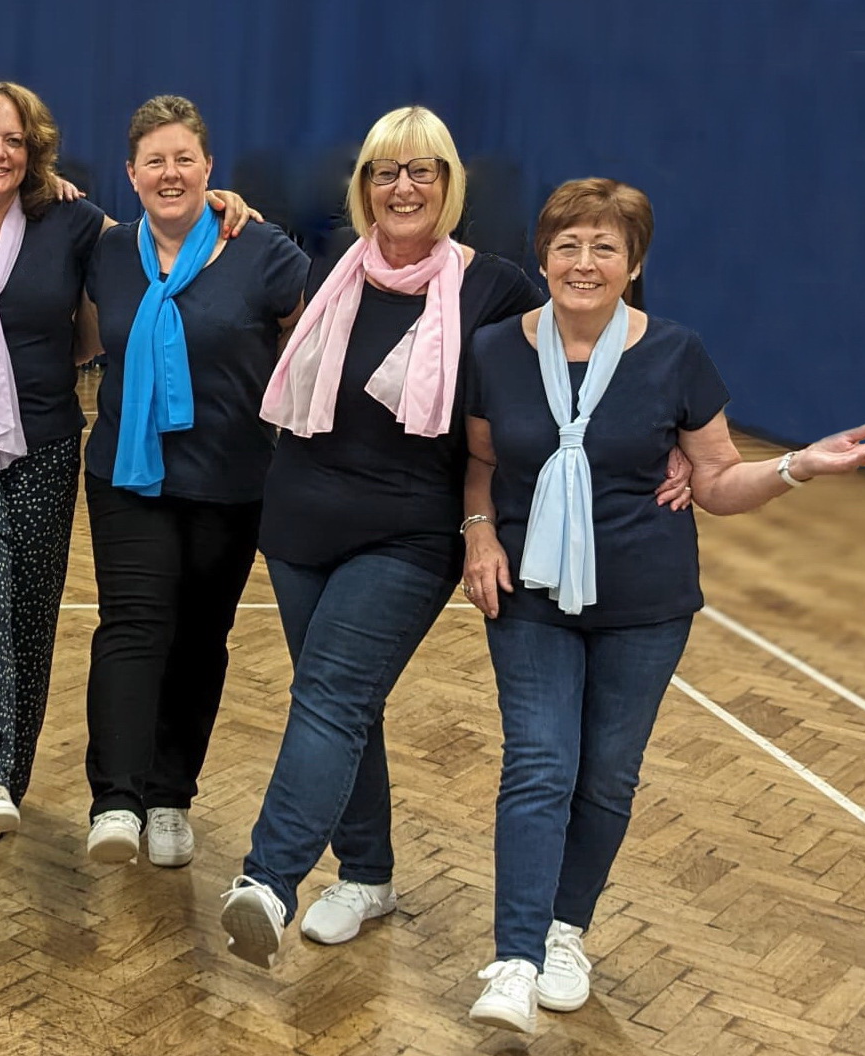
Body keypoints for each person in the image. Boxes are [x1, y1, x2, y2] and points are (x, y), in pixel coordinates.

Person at [217, 106, 688, 967]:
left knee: (329, 694)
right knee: (344, 705)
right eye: (384, 172)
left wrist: (674, 438)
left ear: (448, 184)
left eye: (421, 170)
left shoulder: (494, 286)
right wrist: (220, 204)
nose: (402, 187)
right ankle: (366, 874)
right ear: (363, 187)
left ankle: (268, 879)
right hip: (296, 524)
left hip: (409, 533)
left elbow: (597, 339)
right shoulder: (332, 268)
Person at [459, 177, 865, 1032]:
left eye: (604, 247)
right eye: (566, 244)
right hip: (529, 593)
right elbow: (480, 463)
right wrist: (478, 533)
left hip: (646, 601)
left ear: (633, 266)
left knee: (606, 776)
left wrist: (796, 467)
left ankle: (563, 932)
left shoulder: (674, 352)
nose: (583, 262)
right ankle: (513, 959)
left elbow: (715, 481)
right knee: (539, 765)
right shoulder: (494, 350)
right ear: (541, 257)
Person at [0, 80, 254, 841]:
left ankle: (7, 779)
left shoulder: (74, 222)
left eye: (14, 140)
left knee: (30, 614)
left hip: (47, 441)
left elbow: (158, 245)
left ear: (36, 152)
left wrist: (217, 203)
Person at [77, 95, 307, 868]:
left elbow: (308, 346)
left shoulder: (261, 249)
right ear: (130, 174)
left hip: (230, 477)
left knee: (201, 638)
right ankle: (115, 798)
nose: (169, 173)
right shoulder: (109, 251)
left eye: (183, 159)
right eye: (154, 161)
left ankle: (170, 796)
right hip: (127, 473)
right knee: (133, 625)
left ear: (209, 167)